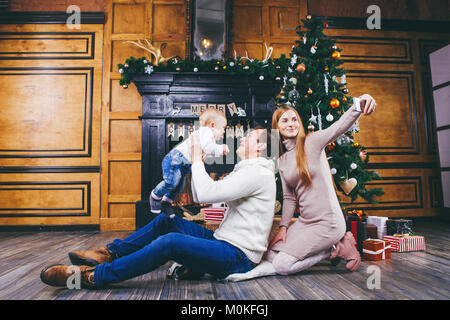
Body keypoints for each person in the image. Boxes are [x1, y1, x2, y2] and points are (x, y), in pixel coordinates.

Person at [40, 128, 276, 289]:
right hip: (222, 240)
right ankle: (108, 253)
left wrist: (196, 159)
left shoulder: (257, 172)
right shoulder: (248, 169)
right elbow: (200, 194)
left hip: (237, 256)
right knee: (167, 220)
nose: (242, 139)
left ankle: (91, 277)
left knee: (171, 242)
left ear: (262, 146)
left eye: (249, 138)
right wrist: (196, 163)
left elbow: (205, 193)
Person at [225, 94, 376, 282]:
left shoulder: (312, 142)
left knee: (282, 265)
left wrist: (359, 104)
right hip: (306, 221)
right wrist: (283, 227)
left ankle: (334, 248)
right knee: (270, 255)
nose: (291, 124)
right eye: (285, 120)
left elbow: (338, 127)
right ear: (277, 128)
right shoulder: (282, 160)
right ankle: (333, 245)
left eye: (294, 119)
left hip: (329, 222)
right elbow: (289, 198)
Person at [150, 108, 229, 217]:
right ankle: (155, 196)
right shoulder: (206, 132)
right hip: (175, 160)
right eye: (223, 128)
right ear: (212, 125)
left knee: (179, 187)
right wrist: (221, 149)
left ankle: (166, 203)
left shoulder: (206, 136)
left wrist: (218, 153)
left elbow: (205, 151)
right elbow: (208, 148)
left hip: (183, 164)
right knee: (171, 183)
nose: (224, 131)